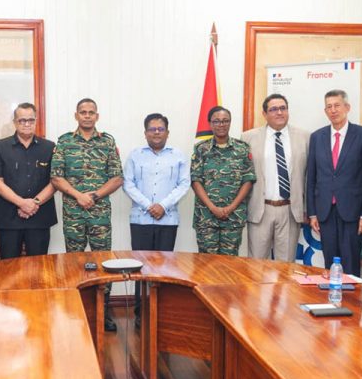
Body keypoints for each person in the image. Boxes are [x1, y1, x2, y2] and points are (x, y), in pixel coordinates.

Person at [51, 98, 123, 331]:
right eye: (83, 112)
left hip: (99, 212)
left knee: (104, 262)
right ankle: (77, 309)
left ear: (97, 116)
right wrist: (78, 195)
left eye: (91, 112)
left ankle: (104, 312)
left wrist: (95, 196)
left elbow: (117, 178)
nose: (87, 116)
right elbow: (56, 177)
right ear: (76, 116)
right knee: (75, 262)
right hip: (73, 213)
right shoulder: (64, 141)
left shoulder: (107, 141)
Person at [123, 113, 190, 327]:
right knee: (140, 267)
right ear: (145, 133)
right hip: (140, 219)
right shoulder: (135, 155)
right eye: (152, 129)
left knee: (165, 269)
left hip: (168, 219)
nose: (157, 133)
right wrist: (148, 206)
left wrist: (163, 206)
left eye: (161, 129)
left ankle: (162, 314)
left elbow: (184, 184)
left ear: (167, 132)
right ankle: (140, 314)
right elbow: (128, 183)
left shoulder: (178, 156)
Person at [306, 90, 362, 276]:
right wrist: (312, 213)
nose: (333, 110)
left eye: (337, 105)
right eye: (329, 106)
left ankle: (351, 304)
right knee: (330, 263)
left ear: (347, 107)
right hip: (325, 211)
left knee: (351, 263)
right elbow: (311, 178)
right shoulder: (317, 137)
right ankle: (332, 301)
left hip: (353, 213)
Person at [242, 93, 310, 261]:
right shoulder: (248, 138)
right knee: (256, 265)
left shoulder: (305, 137)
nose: (279, 113)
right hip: (260, 210)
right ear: (264, 114)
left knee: (286, 266)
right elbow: (242, 176)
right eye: (273, 109)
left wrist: (308, 208)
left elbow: (310, 176)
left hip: (290, 210)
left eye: (283, 108)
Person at [0, 102, 57, 258]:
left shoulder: (49, 147)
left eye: (31, 120)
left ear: (36, 121)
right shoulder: (0, 147)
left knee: (39, 267)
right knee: (8, 269)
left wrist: (33, 203)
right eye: (22, 120)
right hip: (9, 218)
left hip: (40, 217)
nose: (27, 124)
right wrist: (22, 203)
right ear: (15, 122)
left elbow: (55, 181)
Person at [191, 106, 256, 256]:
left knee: (230, 265)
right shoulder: (201, 149)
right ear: (210, 123)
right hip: (206, 217)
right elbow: (195, 180)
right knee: (206, 264)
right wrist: (213, 208)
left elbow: (248, 180)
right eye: (217, 121)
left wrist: (231, 208)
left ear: (230, 122)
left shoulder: (242, 148)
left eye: (225, 121)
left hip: (233, 217)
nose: (221, 125)